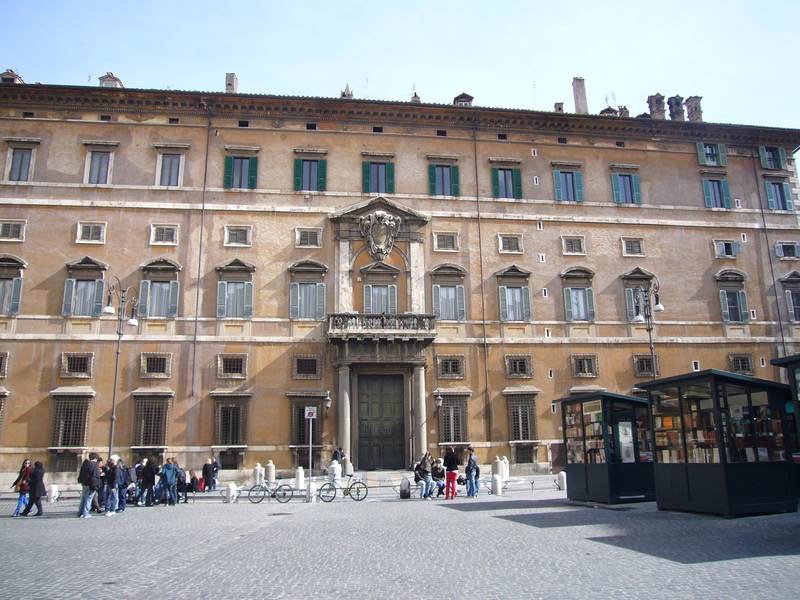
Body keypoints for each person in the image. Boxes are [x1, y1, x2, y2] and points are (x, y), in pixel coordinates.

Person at [77, 452, 103, 518]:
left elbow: (81, 474)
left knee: (83, 498)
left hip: (84, 483)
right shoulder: (94, 465)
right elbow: (96, 475)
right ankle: (85, 513)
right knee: (88, 499)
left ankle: (80, 513)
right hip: (91, 484)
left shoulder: (85, 464)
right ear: (95, 458)